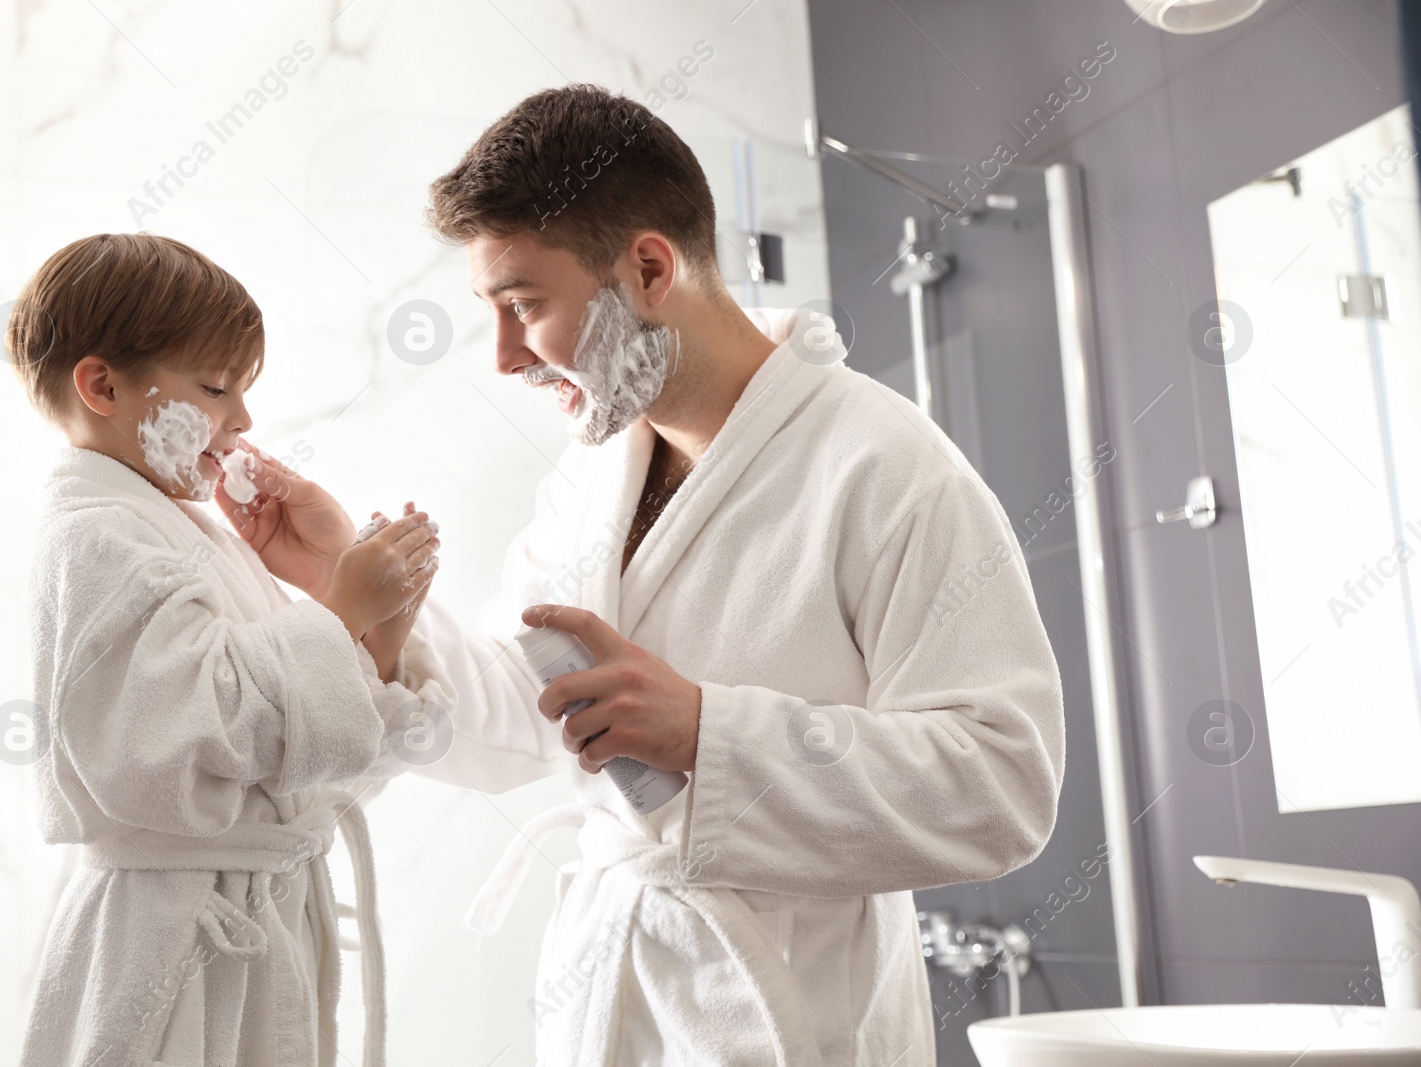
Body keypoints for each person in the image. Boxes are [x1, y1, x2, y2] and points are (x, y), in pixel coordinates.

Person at [236, 85, 1067, 1066]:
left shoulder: (883, 465)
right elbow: (524, 719)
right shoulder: (594, 474)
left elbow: (1001, 785)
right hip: (617, 1004)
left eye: (523, 305)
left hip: (790, 1015)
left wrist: (709, 736)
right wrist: (350, 584)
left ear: (646, 267)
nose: (502, 356)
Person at [11, 233, 449, 1067]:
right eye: (216, 388)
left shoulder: (184, 533)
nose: (243, 420)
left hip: (247, 921)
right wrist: (337, 607)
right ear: (102, 385)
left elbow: (296, 768)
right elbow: (171, 743)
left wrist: (366, 628)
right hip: (169, 954)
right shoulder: (95, 538)